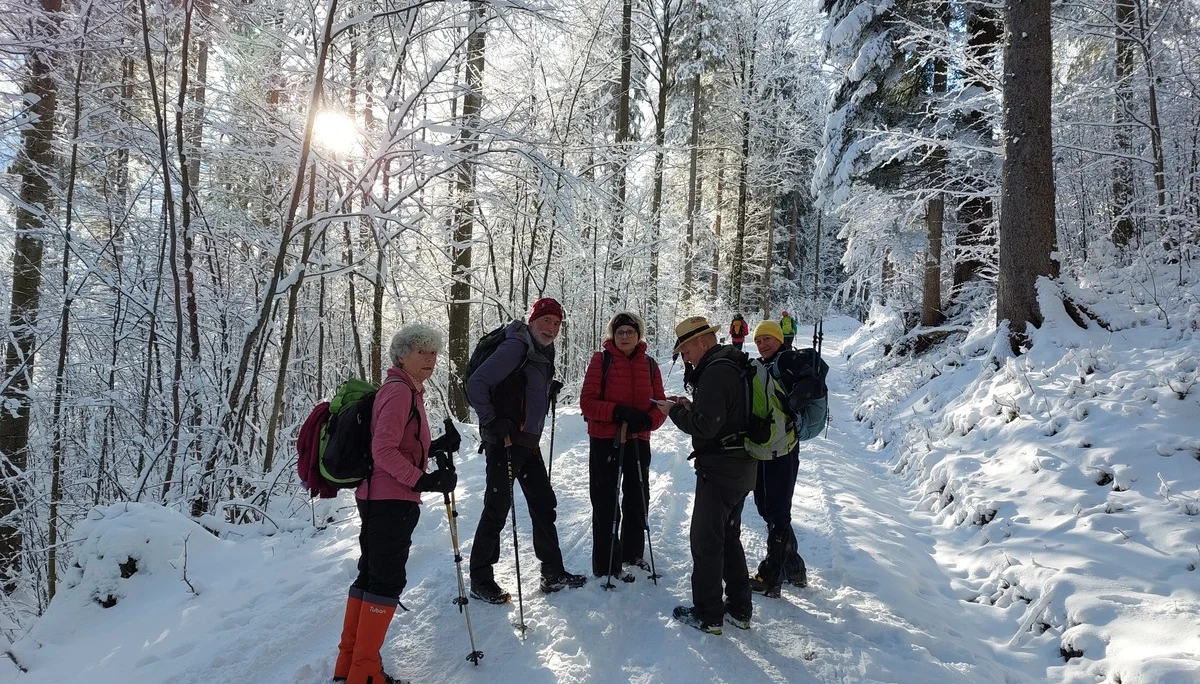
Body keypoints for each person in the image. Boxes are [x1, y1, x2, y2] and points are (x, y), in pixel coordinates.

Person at [333, 324, 460, 684]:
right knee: (385, 582)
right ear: (401, 355)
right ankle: (365, 673)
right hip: (389, 499)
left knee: (371, 577)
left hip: (381, 496)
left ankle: (350, 666)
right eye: (422, 351)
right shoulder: (400, 391)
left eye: (434, 352)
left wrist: (435, 448)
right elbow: (383, 450)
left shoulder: (405, 390)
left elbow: (397, 443)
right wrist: (425, 480)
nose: (431, 359)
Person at [466, 297, 587, 604]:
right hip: (504, 442)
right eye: (547, 321)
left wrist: (548, 388)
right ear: (533, 320)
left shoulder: (541, 348)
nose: (552, 328)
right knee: (497, 508)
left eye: (557, 324)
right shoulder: (516, 346)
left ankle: (552, 572)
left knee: (543, 502)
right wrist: (491, 420)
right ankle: (480, 579)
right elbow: (476, 384)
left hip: (527, 443)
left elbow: (520, 387)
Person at [654, 316, 754, 635]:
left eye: (686, 349)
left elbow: (705, 427)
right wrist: (691, 406)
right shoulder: (732, 364)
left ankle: (708, 615)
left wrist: (674, 412)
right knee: (728, 536)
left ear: (704, 342)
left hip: (721, 471)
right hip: (742, 466)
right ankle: (740, 608)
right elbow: (724, 414)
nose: (685, 356)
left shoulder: (715, 370)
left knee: (705, 541)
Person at [579, 312, 667, 581]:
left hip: (638, 439)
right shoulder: (601, 361)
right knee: (605, 499)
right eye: (620, 333)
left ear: (639, 335)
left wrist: (648, 421)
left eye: (630, 332)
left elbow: (660, 405)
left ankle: (632, 553)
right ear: (612, 336)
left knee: (637, 497)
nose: (625, 336)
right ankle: (606, 562)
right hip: (606, 440)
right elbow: (587, 403)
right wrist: (617, 412)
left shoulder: (650, 365)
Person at [745, 320, 808, 598]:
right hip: (765, 448)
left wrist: (789, 408)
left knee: (777, 510)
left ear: (779, 339)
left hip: (784, 450)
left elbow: (810, 387)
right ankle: (794, 568)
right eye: (758, 341)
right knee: (766, 507)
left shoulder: (789, 360)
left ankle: (771, 576)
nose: (762, 344)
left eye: (767, 339)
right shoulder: (764, 365)